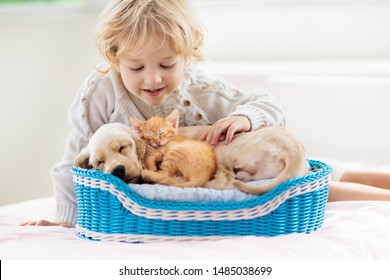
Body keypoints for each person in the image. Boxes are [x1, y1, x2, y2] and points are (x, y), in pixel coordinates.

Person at [21, 0, 390, 228]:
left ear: (188, 55)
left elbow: (267, 104)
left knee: (319, 173)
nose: (152, 78)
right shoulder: (97, 96)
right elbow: (73, 161)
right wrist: (64, 221)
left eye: (167, 64)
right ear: (114, 59)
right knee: (321, 188)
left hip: (243, 158)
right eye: (135, 67)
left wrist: (245, 118)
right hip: (211, 175)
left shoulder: (200, 91)